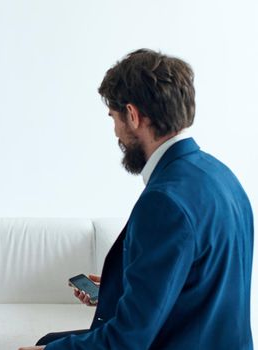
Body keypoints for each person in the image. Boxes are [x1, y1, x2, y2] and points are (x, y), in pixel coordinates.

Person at [19, 49, 254, 349]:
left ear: (132, 115)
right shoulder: (222, 176)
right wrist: (123, 288)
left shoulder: (164, 203)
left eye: (114, 118)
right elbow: (197, 285)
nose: (116, 131)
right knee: (51, 340)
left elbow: (128, 341)